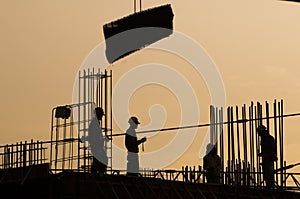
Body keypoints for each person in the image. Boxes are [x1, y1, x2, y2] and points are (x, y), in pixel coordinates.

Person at [257, 125, 277, 189]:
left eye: (258, 131)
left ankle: (269, 185)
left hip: (268, 158)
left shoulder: (266, 138)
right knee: (268, 172)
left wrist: (264, 154)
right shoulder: (267, 138)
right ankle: (270, 185)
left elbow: (269, 148)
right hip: (268, 157)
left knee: (268, 172)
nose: (258, 133)